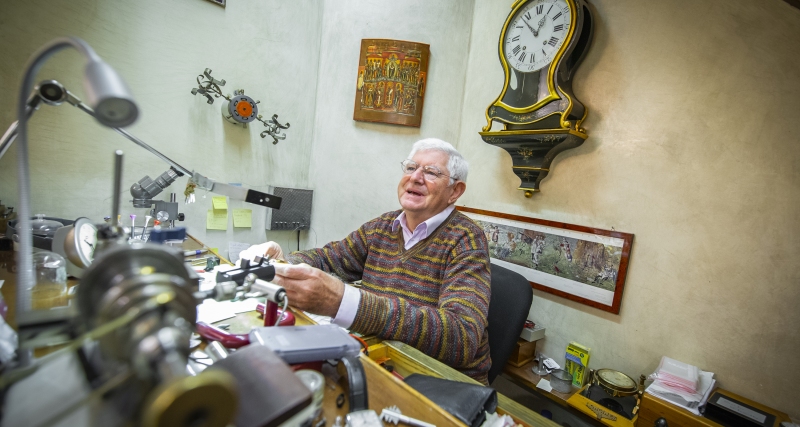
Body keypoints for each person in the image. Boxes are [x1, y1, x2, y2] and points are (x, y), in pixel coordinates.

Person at [254, 138, 492, 384]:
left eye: (431, 172)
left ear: (455, 191)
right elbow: (329, 259)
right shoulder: (382, 226)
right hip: (382, 361)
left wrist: (346, 302)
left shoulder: (467, 239)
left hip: (442, 381)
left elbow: (462, 337)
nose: (416, 177)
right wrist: (283, 260)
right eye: (411, 168)